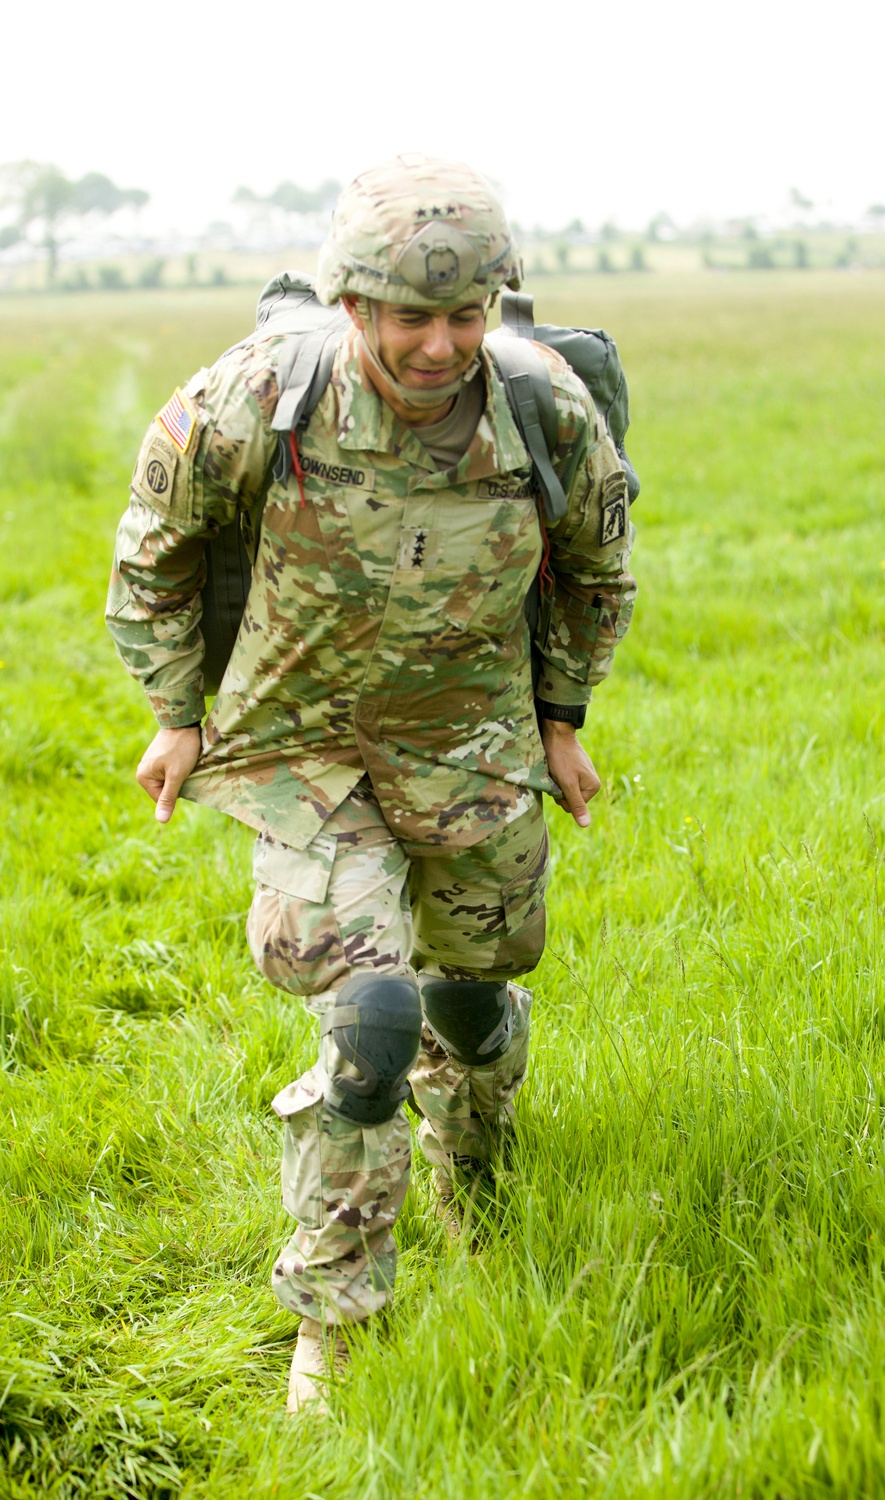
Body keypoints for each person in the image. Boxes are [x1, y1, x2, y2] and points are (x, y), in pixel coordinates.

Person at [106, 153, 635, 1412]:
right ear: (352, 304)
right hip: (304, 746)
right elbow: (155, 555)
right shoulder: (253, 399)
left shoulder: (545, 407)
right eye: (412, 317)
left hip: (474, 744)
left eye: (466, 315)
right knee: (372, 1020)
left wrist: (561, 719)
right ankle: (333, 1321)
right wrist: (179, 716)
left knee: (466, 1004)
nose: (443, 345)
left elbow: (596, 571)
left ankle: (481, 1160)